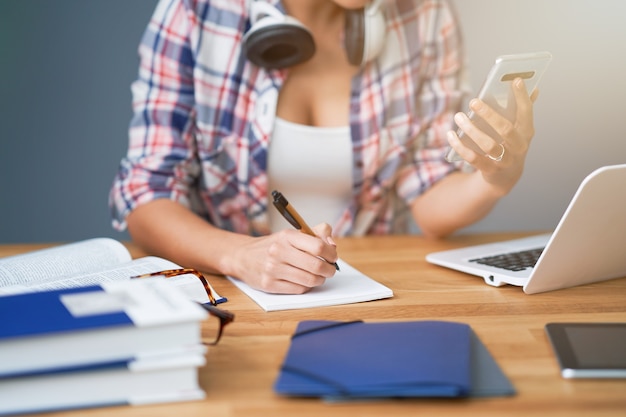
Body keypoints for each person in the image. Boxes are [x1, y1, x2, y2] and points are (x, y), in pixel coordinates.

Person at [109, 0, 538, 295]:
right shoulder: (199, 11)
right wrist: (240, 255)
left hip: (373, 295)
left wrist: (496, 179)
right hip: (234, 298)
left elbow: (427, 196)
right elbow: (147, 195)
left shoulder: (423, 13)